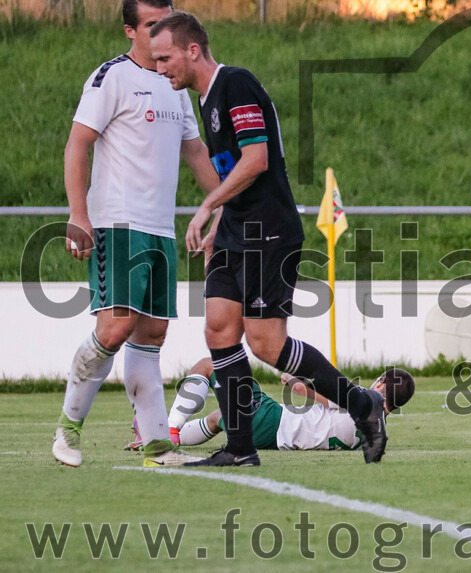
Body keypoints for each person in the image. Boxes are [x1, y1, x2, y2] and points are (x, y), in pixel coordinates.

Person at [148, 12, 387, 467]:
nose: (161, 68)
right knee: (218, 329)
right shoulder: (207, 98)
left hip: (268, 230)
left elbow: (257, 160)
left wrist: (207, 206)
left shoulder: (235, 84)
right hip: (238, 230)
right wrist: (222, 222)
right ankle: (240, 450)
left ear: (192, 49)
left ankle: (361, 404)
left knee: (266, 343)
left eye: (165, 58)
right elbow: (237, 171)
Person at [53, 0, 221, 468]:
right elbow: (77, 144)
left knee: (151, 337)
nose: (160, 33)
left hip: (161, 231)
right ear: (131, 30)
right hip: (117, 223)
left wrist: (231, 202)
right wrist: (78, 214)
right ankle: (68, 428)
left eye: (166, 23)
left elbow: (196, 153)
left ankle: (155, 447)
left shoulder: (175, 85)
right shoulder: (111, 77)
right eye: (151, 25)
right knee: (115, 327)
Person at [127, 358, 415, 451]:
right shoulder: (377, 434)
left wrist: (292, 379)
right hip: (275, 438)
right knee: (218, 417)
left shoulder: (363, 401)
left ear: (380, 385)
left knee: (211, 364)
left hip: (273, 421)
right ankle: (162, 432)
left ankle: (170, 432)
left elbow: (309, 391)